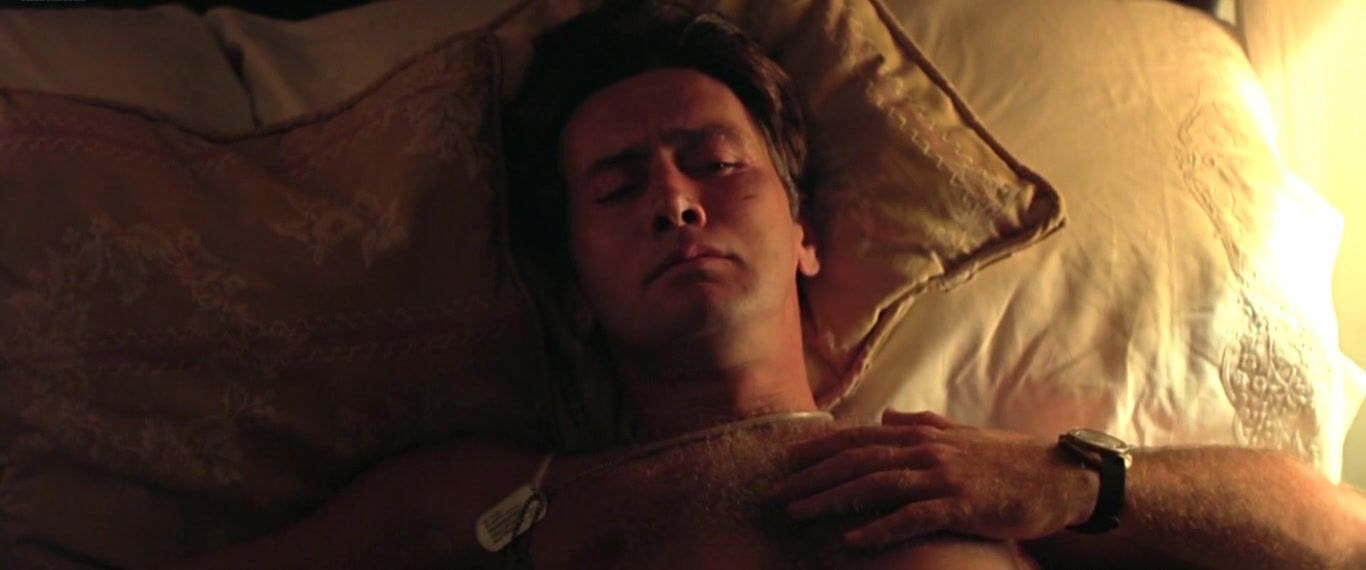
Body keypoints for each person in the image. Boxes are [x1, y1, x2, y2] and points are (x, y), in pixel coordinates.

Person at [179, 1, 1366, 568]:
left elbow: (1332, 534)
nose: (675, 201)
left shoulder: (947, 474)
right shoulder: (497, 497)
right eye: (618, 187)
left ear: (804, 235)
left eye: (714, 163)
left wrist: (1064, 480)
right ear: (573, 288)